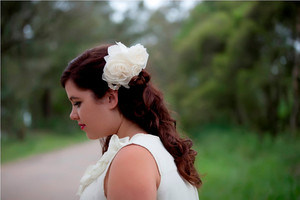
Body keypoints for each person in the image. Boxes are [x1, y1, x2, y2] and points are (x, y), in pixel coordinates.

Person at [60, 42, 202, 200]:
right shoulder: (148, 148)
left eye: (77, 103)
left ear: (110, 98)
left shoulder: (132, 158)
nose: (72, 115)